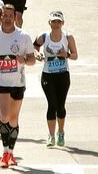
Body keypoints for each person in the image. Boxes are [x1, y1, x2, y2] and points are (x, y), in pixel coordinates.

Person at [0, 1, 36, 168]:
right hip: (0, 80)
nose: (8, 19)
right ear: (0, 17)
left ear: (15, 18)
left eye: (11, 16)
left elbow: (32, 60)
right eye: (6, 16)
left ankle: (11, 152)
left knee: (13, 118)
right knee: (4, 115)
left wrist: (23, 60)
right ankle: (4, 152)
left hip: (18, 82)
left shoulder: (24, 36)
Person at [33, 10, 78, 147]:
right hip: (48, 75)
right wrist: (37, 53)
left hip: (63, 75)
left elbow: (75, 55)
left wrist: (67, 55)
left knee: (61, 106)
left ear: (62, 23)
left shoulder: (68, 37)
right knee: (51, 105)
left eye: (58, 21)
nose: (56, 24)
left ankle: (61, 132)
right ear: (49, 23)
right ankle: (51, 136)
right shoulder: (44, 36)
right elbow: (34, 46)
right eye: (54, 21)